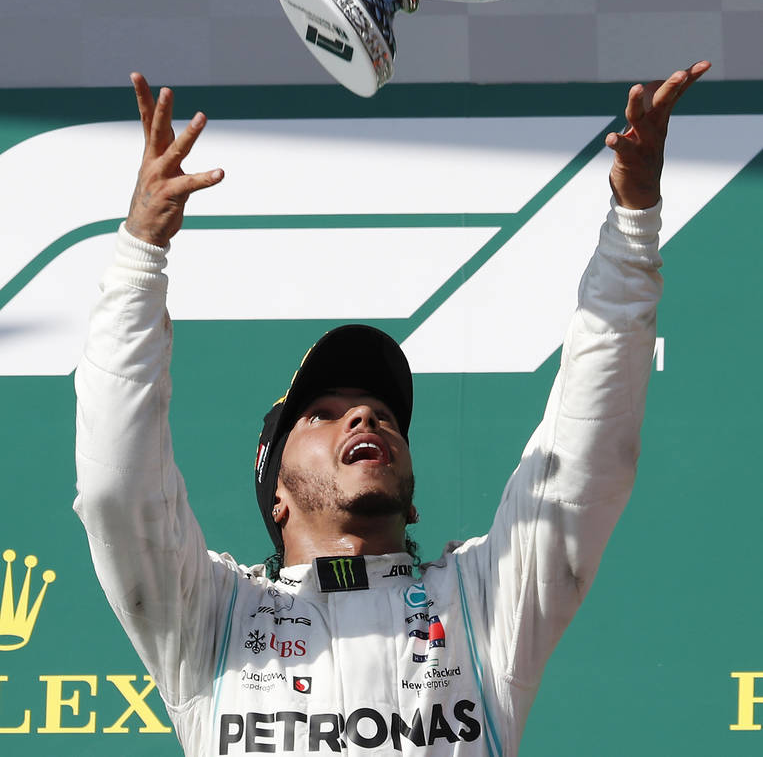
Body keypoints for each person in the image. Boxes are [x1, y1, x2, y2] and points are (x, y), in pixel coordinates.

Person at [74, 61, 710, 757]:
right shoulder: (211, 618)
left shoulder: (483, 603)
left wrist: (633, 224)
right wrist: (140, 259)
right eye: (320, 414)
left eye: (379, 412)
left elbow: (588, 454)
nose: (364, 419)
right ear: (275, 495)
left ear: (411, 504)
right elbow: (118, 489)